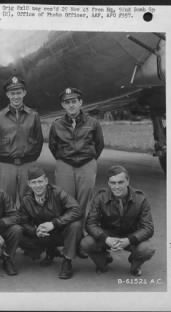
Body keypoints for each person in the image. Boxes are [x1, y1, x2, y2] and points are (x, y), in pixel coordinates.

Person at [48, 87, 104, 255]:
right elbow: (53, 146)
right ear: (62, 105)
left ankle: (80, 242)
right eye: (67, 102)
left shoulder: (93, 123)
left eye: (74, 102)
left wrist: (90, 159)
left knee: (83, 202)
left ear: (80, 103)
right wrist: (63, 159)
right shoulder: (57, 124)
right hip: (65, 164)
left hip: (86, 164)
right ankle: (67, 240)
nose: (71, 105)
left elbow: (99, 144)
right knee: (66, 203)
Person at [80, 165, 155, 276]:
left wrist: (129, 240)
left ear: (128, 181)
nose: (117, 187)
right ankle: (104, 259)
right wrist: (106, 239)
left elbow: (148, 228)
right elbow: (90, 223)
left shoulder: (141, 199)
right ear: (108, 183)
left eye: (120, 182)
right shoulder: (100, 197)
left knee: (147, 249)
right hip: (108, 235)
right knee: (86, 243)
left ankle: (135, 263)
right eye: (113, 183)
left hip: (131, 235)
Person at [19, 166, 83, 279]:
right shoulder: (26, 199)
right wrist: (35, 231)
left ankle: (67, 261)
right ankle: (50, 251)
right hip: (43, 234)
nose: (38, 185)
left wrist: (54, 223)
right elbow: (22, 222)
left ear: (46, 181)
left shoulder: (57, 192)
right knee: (17, 232)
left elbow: (77, 209)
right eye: (34, 182)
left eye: (40, 181)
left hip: (61, 231)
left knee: (76, 225)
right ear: (29, 184)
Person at [0, 75, 43, 205]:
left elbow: (39, 140)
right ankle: (9, 225)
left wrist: (31, 158)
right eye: (12, 93)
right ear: (7, 94)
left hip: (27, 163)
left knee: (28, 200)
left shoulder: (33, 115)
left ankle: (26, 225)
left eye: (18, 93)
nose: (16, 97)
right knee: (7, 200)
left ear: (24, 93)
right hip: (7, 164)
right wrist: (4, 158)